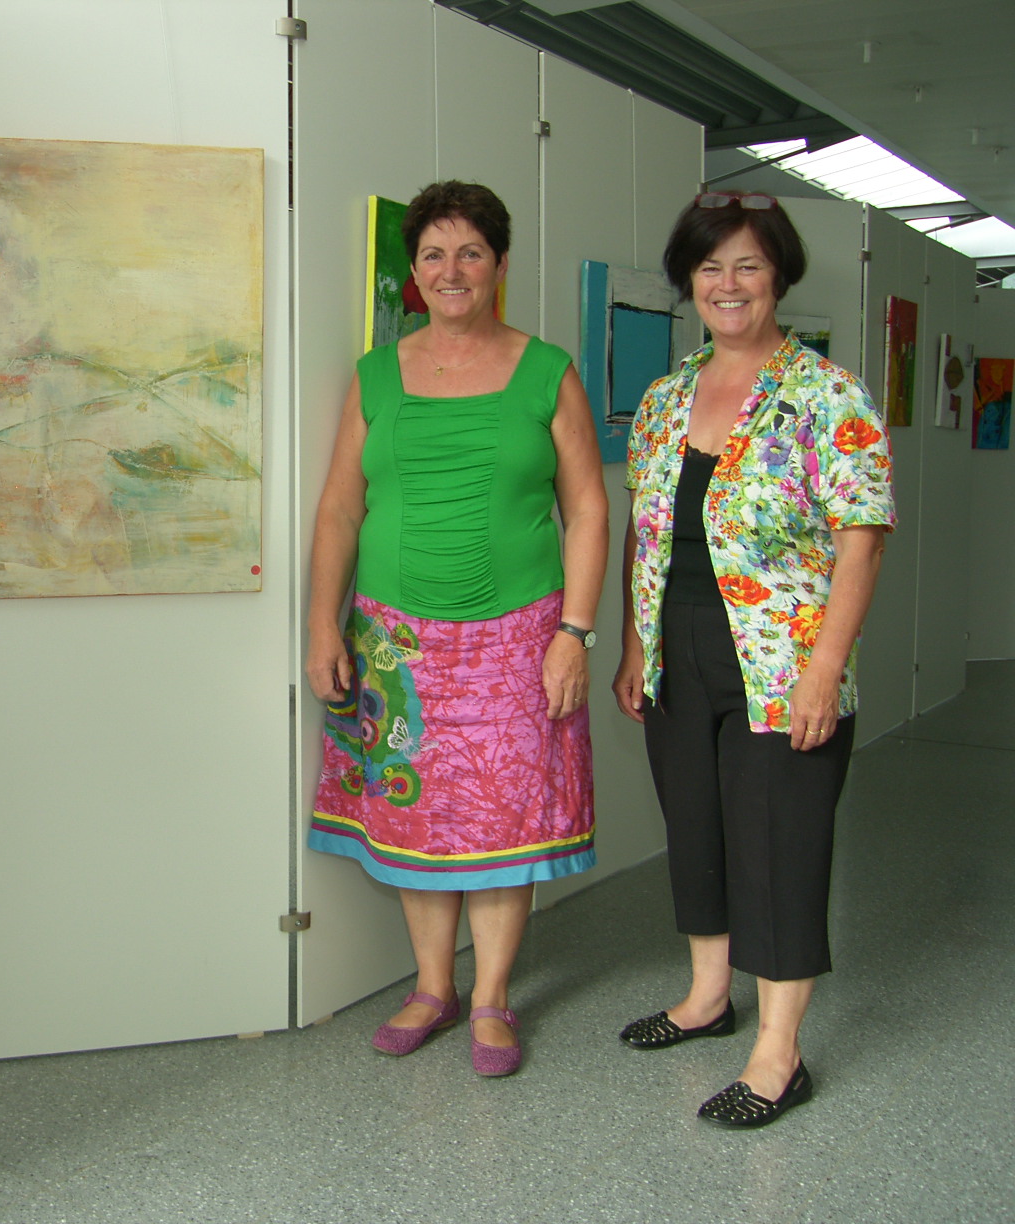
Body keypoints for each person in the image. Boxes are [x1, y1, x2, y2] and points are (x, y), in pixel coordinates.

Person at [306, 181, 607, 1075]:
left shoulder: (547, 371)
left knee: (503, 816)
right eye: (433, 254)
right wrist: (323, 626)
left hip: (519, 636)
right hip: (394, 640)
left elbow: (589, 509)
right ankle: (432, 987)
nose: (451, 270)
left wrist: (576, 632)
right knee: (416, 812)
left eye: (470, 252)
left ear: (500, 265)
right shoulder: (375, 375)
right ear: (414, 271)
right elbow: (339, 510)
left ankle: (490, 998)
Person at [612, 192, 894, 1127]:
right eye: (709, 267)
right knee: (694, 824)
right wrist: (633, 643)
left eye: (747, 266)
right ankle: (706, 998)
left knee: (778, 843)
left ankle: (779, 1052)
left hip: (782, 658)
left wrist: (825, 671)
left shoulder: (828, 394)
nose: (727, 285)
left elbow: (861, 543)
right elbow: (644, 528)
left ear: (779, 277)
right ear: (689, 282)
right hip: (676, 648)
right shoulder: (666, 396)